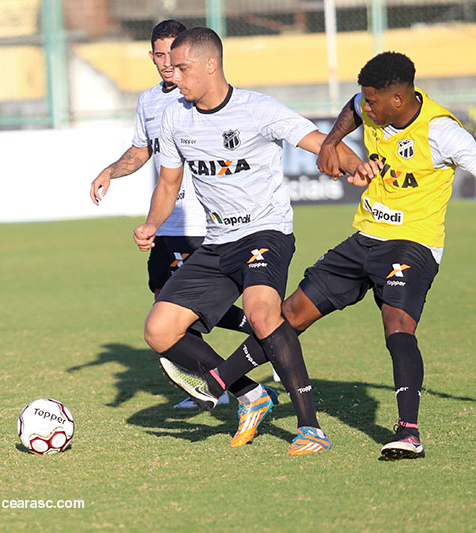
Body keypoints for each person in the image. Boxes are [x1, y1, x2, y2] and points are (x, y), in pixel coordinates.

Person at [170, 51, 476, 461]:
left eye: (373, 102)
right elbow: (351, 110)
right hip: (363, 240)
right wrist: (331, 141)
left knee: (397, 327)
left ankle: (408, 433)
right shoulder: (371, 105)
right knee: (289, 315)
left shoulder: (442, 132)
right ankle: (220, 383)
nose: (366, 108)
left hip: (412, 244)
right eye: (365, 100)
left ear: (399, 99)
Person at [135, 26, 363, 454]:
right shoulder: (173, 116)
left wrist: (354, 165)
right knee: (159, 329)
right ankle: (249, 394)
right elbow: (168, 184)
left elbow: (320, 143)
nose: (174, 76)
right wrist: (151, 223)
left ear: (210, 64)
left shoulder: (257, 110)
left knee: (262, 314)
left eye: (182, 68)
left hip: (265, 232)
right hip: (218, 241)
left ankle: (310, 427)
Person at [89, 20, 258, 409]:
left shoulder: (199, 96)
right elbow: (140, 151)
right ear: (151, 56)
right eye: (160, 55)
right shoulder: (149, 101)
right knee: (164, 297)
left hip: (204, 222)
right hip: (167, 223)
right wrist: (109, 172)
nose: (168, 63)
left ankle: (246, 362)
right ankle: (213, 376)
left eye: (174, 55)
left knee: (179, 310)